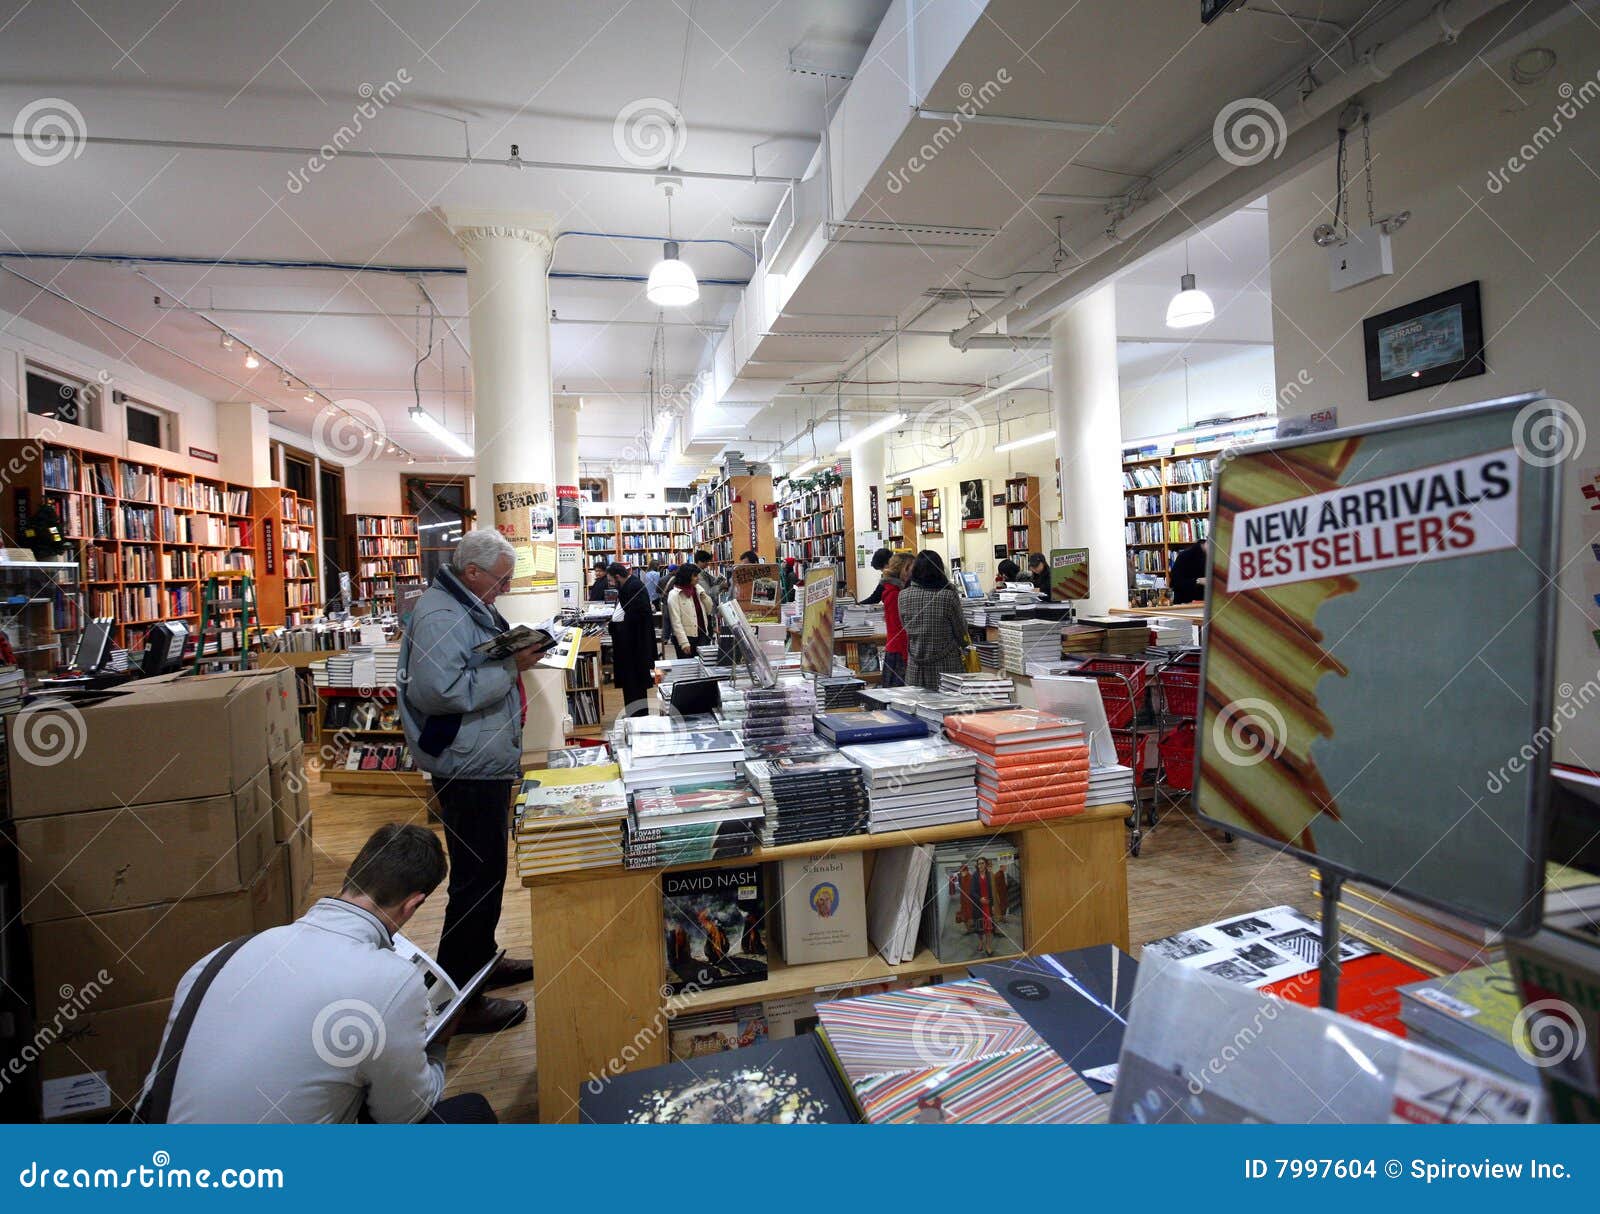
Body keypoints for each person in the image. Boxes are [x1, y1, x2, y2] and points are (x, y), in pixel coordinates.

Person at [137, 824, 495, 1124]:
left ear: (353, 875)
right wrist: (439, 1045)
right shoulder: (391, 980)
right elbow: (404, 1114)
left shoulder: (221, 957)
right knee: (472, 1114)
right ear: (413, 904)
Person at [398, 529, 540, 1034]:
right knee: (475, 881)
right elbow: (440, 692)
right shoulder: (441, 613)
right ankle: (460, 997)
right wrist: (511, 666)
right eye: (500, 580)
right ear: (472, 571)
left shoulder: (462, 604)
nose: (503, 589)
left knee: (487, 874)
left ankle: (482, 961)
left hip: (480, 756)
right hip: (466, 761)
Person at [898, 550, 971, 690]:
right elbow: (961, 630)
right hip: (946, 666)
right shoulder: (947, 596)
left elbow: (905, 627)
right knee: (949, 708)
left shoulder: (903, 595)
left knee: (916, 707)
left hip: (915, 666)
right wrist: (965, 645)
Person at [607, 559, 656, 714]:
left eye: (610, 580)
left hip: (635, 648)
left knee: (635, 687)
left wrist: (617, 626)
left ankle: (638, 716)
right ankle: (634, 714)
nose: (610, 584)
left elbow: (638, 618)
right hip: (630, 647)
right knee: (631, 687)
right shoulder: (629, 585)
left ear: (617, 576)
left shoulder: (633, 587)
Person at [665, 563, 715, 659]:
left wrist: (702, 593)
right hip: (686, 638)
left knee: (703, 667)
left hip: (702, 635)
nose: (697, 578)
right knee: (687, 667)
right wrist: (683, 642)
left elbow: (709, 609)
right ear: (687, 576)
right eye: (695, 576)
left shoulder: (697, 590)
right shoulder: (674, 595)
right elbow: (676, 621)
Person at [879, 551, 912, 688]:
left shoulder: (893, 590)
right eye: (912, 568)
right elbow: (899, 627)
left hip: (895, 647)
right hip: (899, 649)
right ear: (904, 569)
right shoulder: (896, 594)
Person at [1169, 537, 1209, 604]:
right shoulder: (1184, 556)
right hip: (1186, 605)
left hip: (1206, 604)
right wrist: (1198, 581)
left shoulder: (1211, 557)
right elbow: (1175, 583)